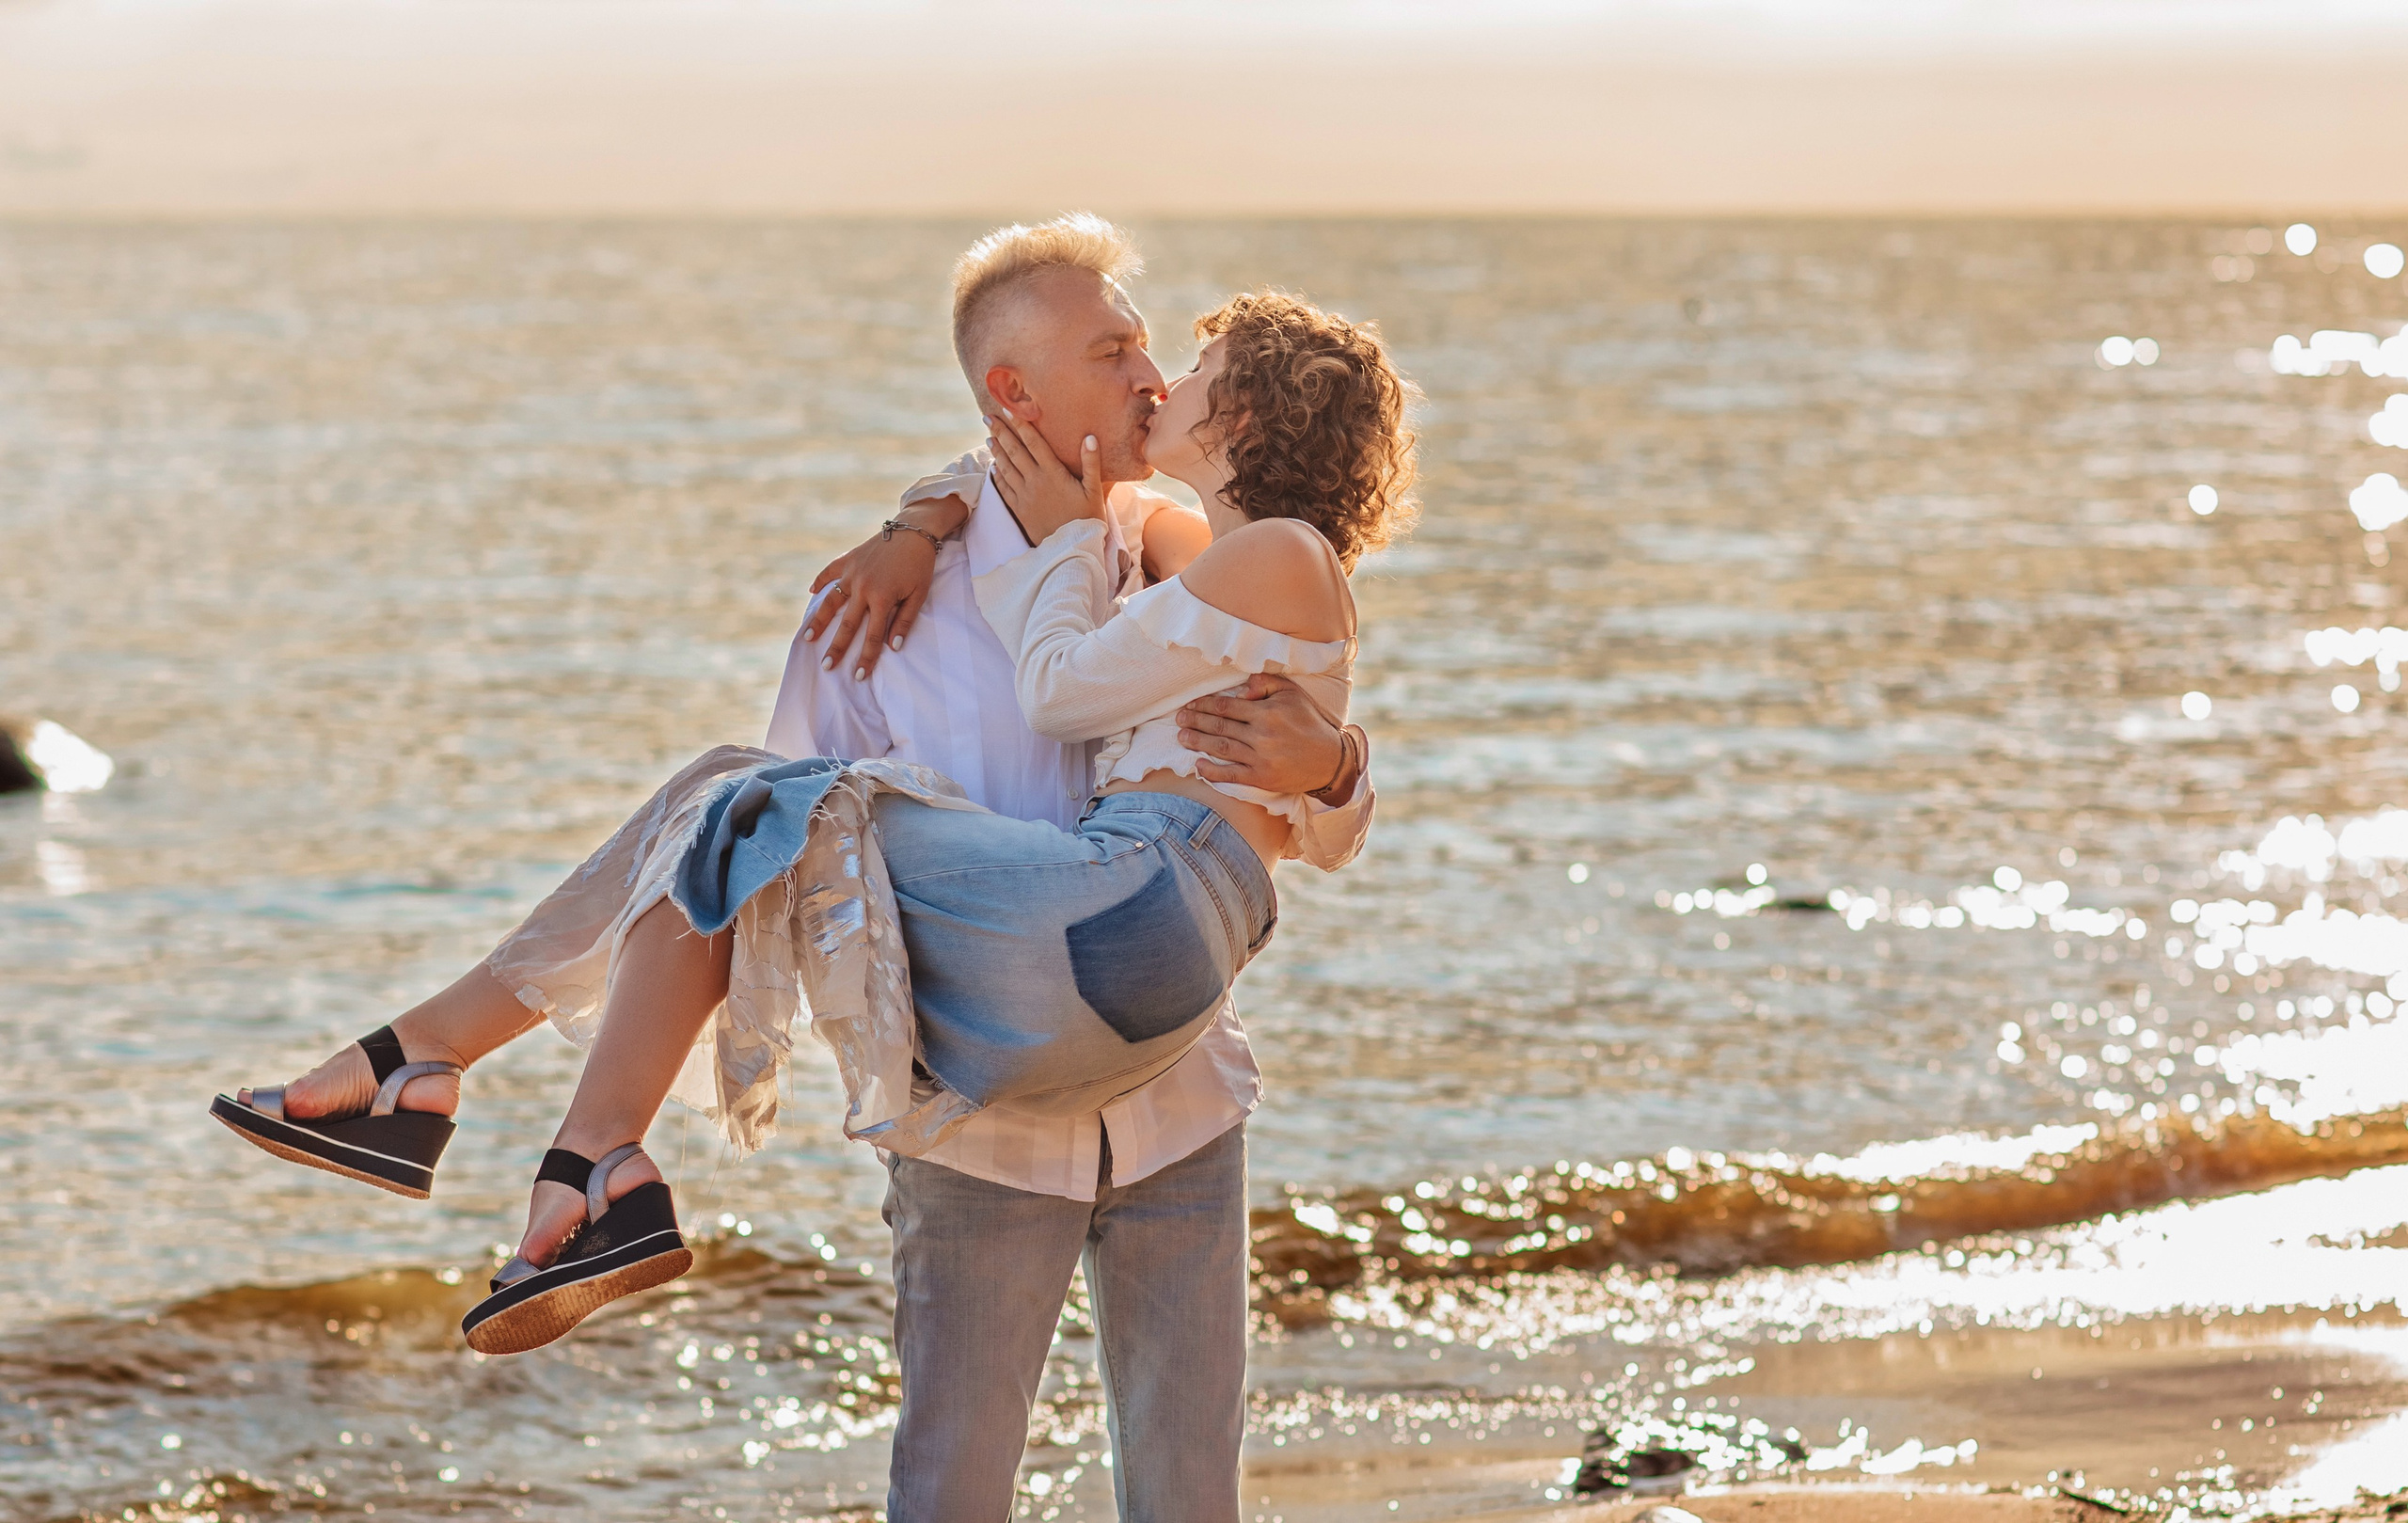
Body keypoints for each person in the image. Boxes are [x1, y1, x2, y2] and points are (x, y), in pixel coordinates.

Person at [211, 214, 1417, 1522]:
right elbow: (752, 895)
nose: (1146, 377)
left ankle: (492, 1103)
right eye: (1116, 348)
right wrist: (927, 521)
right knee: (948, 1488)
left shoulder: (1172, 550)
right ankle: (533, 1129)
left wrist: (1336, 764)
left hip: (1176, 1077)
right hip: (984, 1113)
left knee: (1192, 1497)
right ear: (1016, 392)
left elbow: (1293, 752)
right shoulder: (874, 615)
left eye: (1157, 353)